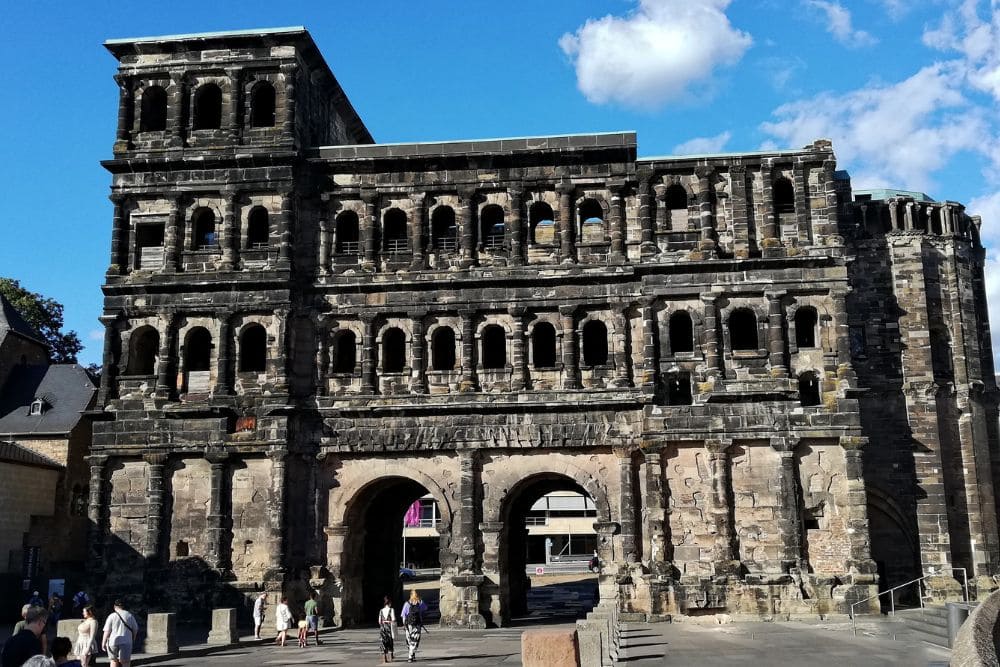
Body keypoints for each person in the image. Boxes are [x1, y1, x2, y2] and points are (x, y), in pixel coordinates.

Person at [101, 599, 138, 667]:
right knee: (125, 662)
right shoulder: (129, 615)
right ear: (123, 606)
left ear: (114, 606)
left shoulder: (111, 616)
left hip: (113, 642)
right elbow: (135, 629)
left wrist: (103, 643)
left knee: (113, 661)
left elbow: (107, 631)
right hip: (126, 641)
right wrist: (133, 639)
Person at [401, 590, 428, 663]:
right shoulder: (420, 603)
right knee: (415, 640)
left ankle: (411, 655)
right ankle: (411, 655)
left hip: (408, 624)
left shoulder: (407, 604)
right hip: (417, 624)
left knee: (409, 640)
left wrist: (404, 625)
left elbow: (403, 615)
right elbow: (425, 608)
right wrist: (420, 600)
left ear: (410, 595)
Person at [377, 595, 396, 663]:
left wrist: (383, 622)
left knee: (383, 642)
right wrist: (389, 621)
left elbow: (379, 621)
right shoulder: (391, 610)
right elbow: (393, 619)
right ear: (390, 603)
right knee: (390, 642)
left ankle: (384, 658)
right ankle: (391, 657)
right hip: (389, 627)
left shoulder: (381, 610)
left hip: (382, 628)